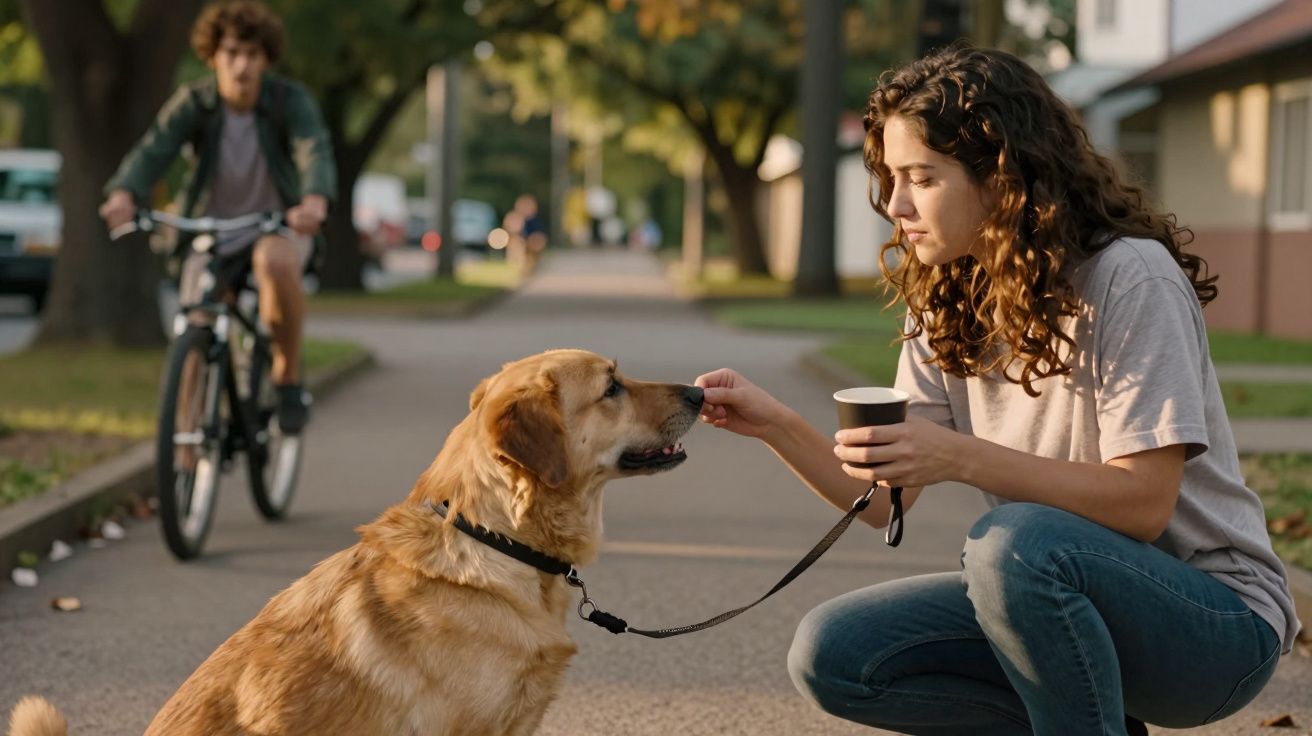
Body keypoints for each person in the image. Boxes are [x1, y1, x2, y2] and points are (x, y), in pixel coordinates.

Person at [695, 44, 1298, 736]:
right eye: (891, 177)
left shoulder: (1131, 277)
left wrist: (957, 455)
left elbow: (1143, 504)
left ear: (1003, 176)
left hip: (1213, 625)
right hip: (1056, 593)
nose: (895, 204)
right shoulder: (949, 294)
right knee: (836, 653)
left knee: (1010, 543)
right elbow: (882, 501)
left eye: (921, 177)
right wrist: (775, 423)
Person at [100, 0, 336, 435]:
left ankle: (286, 376)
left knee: (275, 261)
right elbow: (155, 149)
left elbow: (313, 148)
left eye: (251, 54)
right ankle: (186, 455)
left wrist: (314, 200)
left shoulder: (289, 101)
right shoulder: (195, 102)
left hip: (277, 226)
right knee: (195, 327)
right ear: (212, 57)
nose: (241, 65)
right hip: (212, 230)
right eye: (231, 53)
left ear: (266, 58)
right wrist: (123, 192)